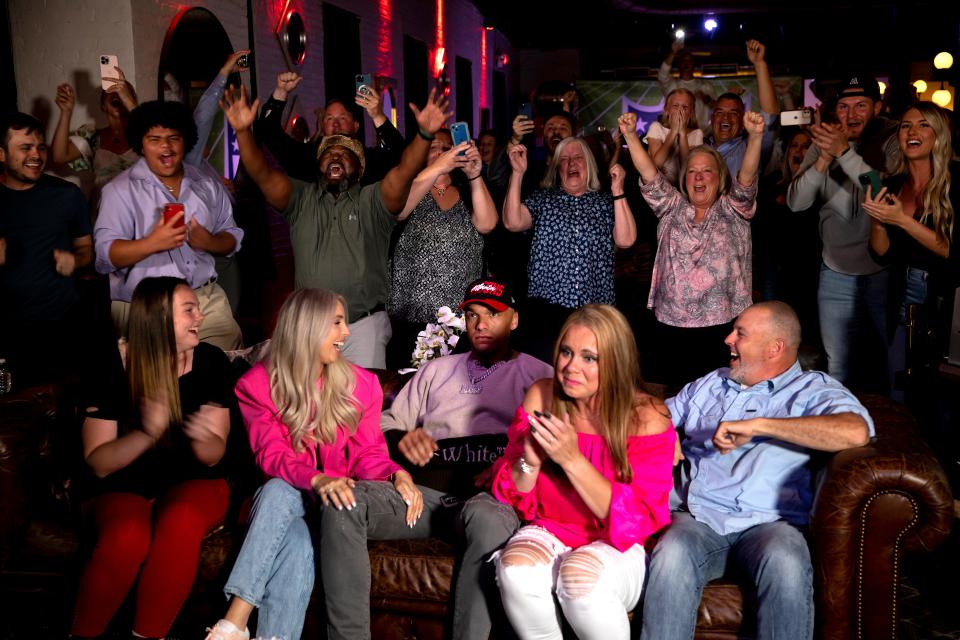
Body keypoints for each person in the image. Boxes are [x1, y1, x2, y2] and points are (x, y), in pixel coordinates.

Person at [639, 301, 873, 640]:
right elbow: (653, 413)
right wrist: (662, 431)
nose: (728, 339)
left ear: (774, 347)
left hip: (771, 524)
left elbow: (855, 431)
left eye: (740, 334)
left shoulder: (812, 390)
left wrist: (759, 425)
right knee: (671, 554)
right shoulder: (713, 383)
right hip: (697, 517)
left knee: (787, 561)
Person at [206, 288, 421, 640]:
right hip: (279, 508)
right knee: (287, 515)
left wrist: (395, 473)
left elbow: (370, 453)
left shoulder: (363, 385)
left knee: (296, 525)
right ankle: (240, 624)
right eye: (336, 322)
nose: (347, 332)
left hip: (335, 510)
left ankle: (233, 622)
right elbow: (271, 456)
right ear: (307, 327)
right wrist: (317, 479)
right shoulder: (256, 385)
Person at [221, 84, 452, 369]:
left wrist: (425, 135)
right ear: (318, 165)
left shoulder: (374, 201)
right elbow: (261, 173)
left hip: (363, 325)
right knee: (309, 404)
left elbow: (405, 170)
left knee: (362, 403)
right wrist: (243, 132)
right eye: (328, 154)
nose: (335, 156)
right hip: (311, 325)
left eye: (346, 154)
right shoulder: (299, 198)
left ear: (360, 167)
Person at [379, 278, 553, 639]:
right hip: (426, 492)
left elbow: (550, 447)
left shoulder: (540, 377)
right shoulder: (436, 371)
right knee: (345, 504)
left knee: (488, 518)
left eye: (493, 315)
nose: (480, 324)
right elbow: (386, 421)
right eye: (472, 315)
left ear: (514, 320)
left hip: (491, 495)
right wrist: (402, 438)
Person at [491, 304, 675, 640]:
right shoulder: (542, 395)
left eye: (589, 357)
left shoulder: (647, 415)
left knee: (580, 580)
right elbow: (513, 491)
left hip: (620, 543)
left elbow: (635, 519)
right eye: (566, 352)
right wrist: (529, 457)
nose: (571, 367)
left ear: (616, 363)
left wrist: (572, 460)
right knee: (515, 570)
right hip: (552, 529)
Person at [71, 276, 233, 639]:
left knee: (181, 518)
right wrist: (146, 434)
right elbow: (98, 461)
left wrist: (203, 438)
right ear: (158, 319)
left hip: (194, 481)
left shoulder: (210, 361)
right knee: (128, 534)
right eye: (188, 310)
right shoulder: (110, 362)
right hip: (123, 483)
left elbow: (214, 455)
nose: (200, 317)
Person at [620, 109, 764, 385]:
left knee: (720, 398)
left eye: (706, 171)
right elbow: (649, 174)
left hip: (723, 326)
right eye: (692, 171)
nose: (698, 177)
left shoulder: (732, 208)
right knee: (678, 398)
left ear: (720, 177)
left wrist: (755, 137)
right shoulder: (671, 206)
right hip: (671, 326)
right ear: (684, 179)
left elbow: (746, 179)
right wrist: (630, 135)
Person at [94, 100, 245, 351]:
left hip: (204, 301)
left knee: (222, 369)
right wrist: (151, 244)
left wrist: (210, 242)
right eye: (154, 139)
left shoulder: (206, 185)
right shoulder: (118, 191)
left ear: (186, 140)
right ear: (140, 144)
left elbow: (232, 236)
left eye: (174, 138)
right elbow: (103, 257)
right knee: (159, 386)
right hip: (145, 309)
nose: (166, 146)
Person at [787, 74, 899, 388]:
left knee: (890, 359)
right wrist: (824, 157)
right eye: (844, 107)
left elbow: (882, 190)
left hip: (881, 269)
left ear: (877, 107)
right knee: (837, 366)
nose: (851, 115)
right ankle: (843, 429)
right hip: (834, 268)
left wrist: (844, 154)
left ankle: (898, 431)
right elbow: (797, 203)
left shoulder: (892, 139)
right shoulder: (823, 144)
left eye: (861, 106)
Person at [503, 136, 636, 362]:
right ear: (557, 168)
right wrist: (517, 173)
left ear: (590, 164)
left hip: (594, 309)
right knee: (546, 371)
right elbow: (512, 222)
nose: (571, 163)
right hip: (547, 309)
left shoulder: (605, 202)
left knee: (590, 374)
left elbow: (626, 240)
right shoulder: (544, 199)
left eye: (578, 158)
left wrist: (618, 190)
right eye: (564, 159)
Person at [862, 101, 959, 398]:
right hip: (901, 295)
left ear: (939, 134)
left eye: (922, 125)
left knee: (941, 392)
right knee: (900, 386)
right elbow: (882, 254)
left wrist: (903, 221)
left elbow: (954, 252)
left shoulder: (956, 181)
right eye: (906, 126)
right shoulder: (892, 185)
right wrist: (878, 222)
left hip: (946, 298)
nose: (912, 132)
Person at [0, 111, 98, 387]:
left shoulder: (66, 195)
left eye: (40, 147)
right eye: (25, 148)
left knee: (63, 407)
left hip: (60, 324)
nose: (36, 155)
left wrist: (75, 261)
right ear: (2, 155)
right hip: (8, 330)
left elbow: (86, 249)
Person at [387, 129, 497, 367]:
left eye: (447, 148)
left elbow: (488, 225)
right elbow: (399, 211)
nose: (441, 153)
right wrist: (436, 168)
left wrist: (475, 176)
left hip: (459, 322)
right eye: (433, 147)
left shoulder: (468, 191)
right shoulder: (410, 190)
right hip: (411, 317)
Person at [257, 71, 405, 184]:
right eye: (329, 118)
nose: (335, 123)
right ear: (322, 125)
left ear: (356, 126)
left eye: (342, 117)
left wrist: (377, 115)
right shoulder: (308, 159)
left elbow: (403, 156)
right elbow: (268, 131)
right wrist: (281, 92)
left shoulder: (367, 161)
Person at [753, 129, 821, 337]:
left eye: (806, 146)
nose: (799, 150)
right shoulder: (771, 183)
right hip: (775, 270)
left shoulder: (822, 190)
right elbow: (759, 230)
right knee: (774, 331)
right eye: (794, 145)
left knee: (805, 333)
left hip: (808, 273)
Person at [51, 66, 138, 209]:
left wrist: (128, 99)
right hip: (103, 214)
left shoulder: (148, 135)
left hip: (139, 214)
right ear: (103, 105)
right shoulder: (92, 135)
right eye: (110, 90)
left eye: (122, 91)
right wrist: (66, 112)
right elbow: (59, 156)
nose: (116, 93)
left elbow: (157, 134)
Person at [704, 40, 779, 177]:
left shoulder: (750, 146)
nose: (725, 117)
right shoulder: (700, 150)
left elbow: (769, 115)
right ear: (712, 118)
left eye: (733, 113)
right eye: (720, 112)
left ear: (742, 121)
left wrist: (759, 64)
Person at [644, 88, 703, 187]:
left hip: (684, 188)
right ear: (667, 109)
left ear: (691, 112)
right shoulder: (656, 127)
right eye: (675, 106)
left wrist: (682, 134)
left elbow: (687, 167)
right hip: (659, 188)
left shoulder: (697, 133)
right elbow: (656, 164)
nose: (680, 110)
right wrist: (673, 132)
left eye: (685, 107)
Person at [658, 39, 716, 135]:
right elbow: (662, 75)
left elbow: (717, 108)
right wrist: (673, 52)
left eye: (689, 61)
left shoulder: (705, 86)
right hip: (675, 136)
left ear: (694, 64)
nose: (686, 63)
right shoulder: (671, 85)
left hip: (700, 135)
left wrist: (705, 98)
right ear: (678, 64)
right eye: (683, 61)